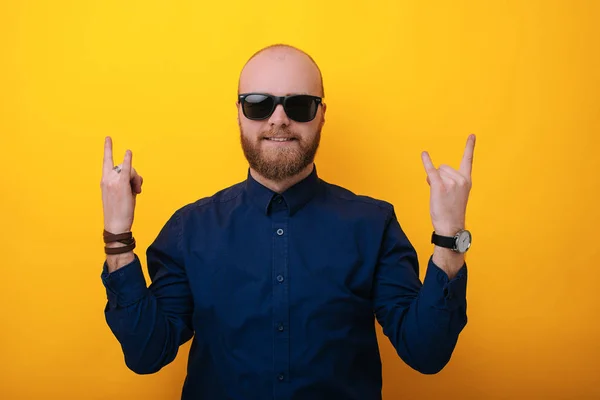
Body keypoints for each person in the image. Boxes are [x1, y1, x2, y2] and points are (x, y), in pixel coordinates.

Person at [99, 43, 476, 400]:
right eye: (259, 104)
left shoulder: (373, 224)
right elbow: (148, 353)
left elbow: (426, 352)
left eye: (299, 104)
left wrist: (449, 238)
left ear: (322, 115)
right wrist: (118, 236)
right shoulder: (189, 229)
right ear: (239, 113)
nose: (279, 119)